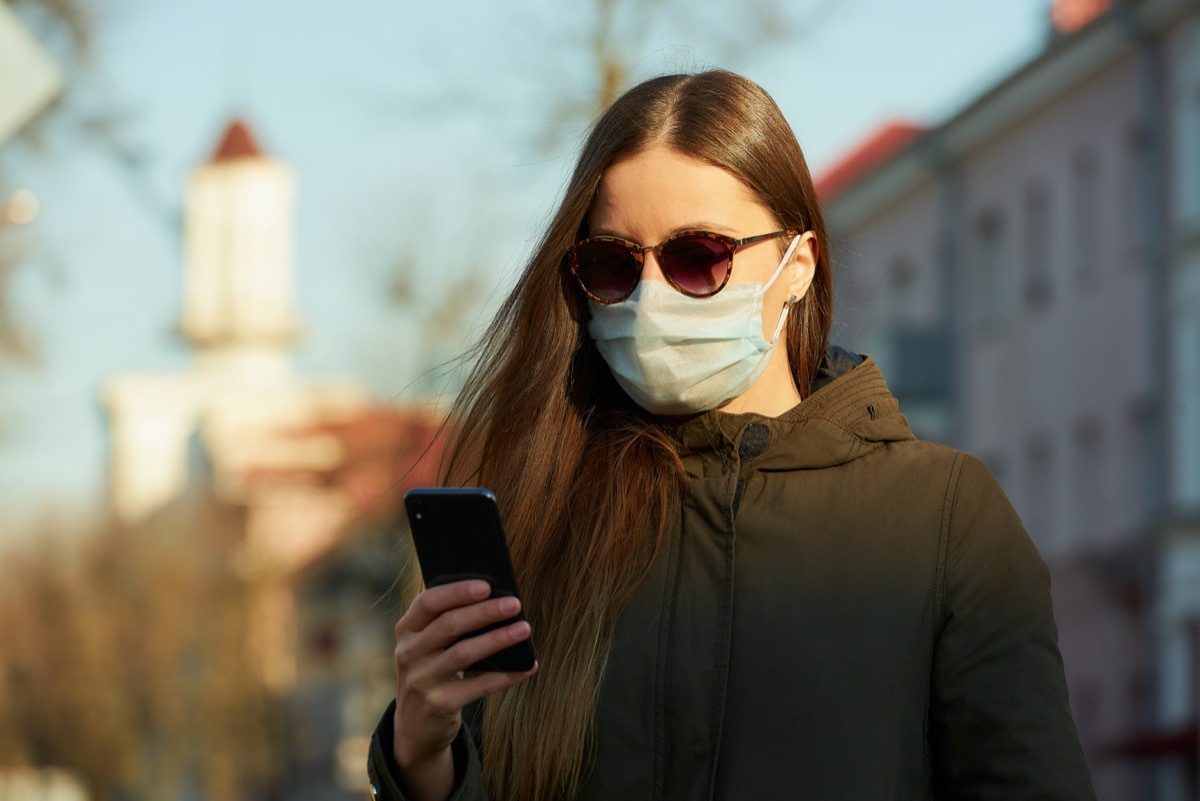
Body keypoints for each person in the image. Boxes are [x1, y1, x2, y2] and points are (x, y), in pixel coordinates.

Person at [366, 70, 1097, 801]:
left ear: (797, 266)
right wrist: (423, 756)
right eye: (614, 265)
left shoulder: (942, 517)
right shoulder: (549, 512)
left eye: (698, 257)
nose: (651, 296)